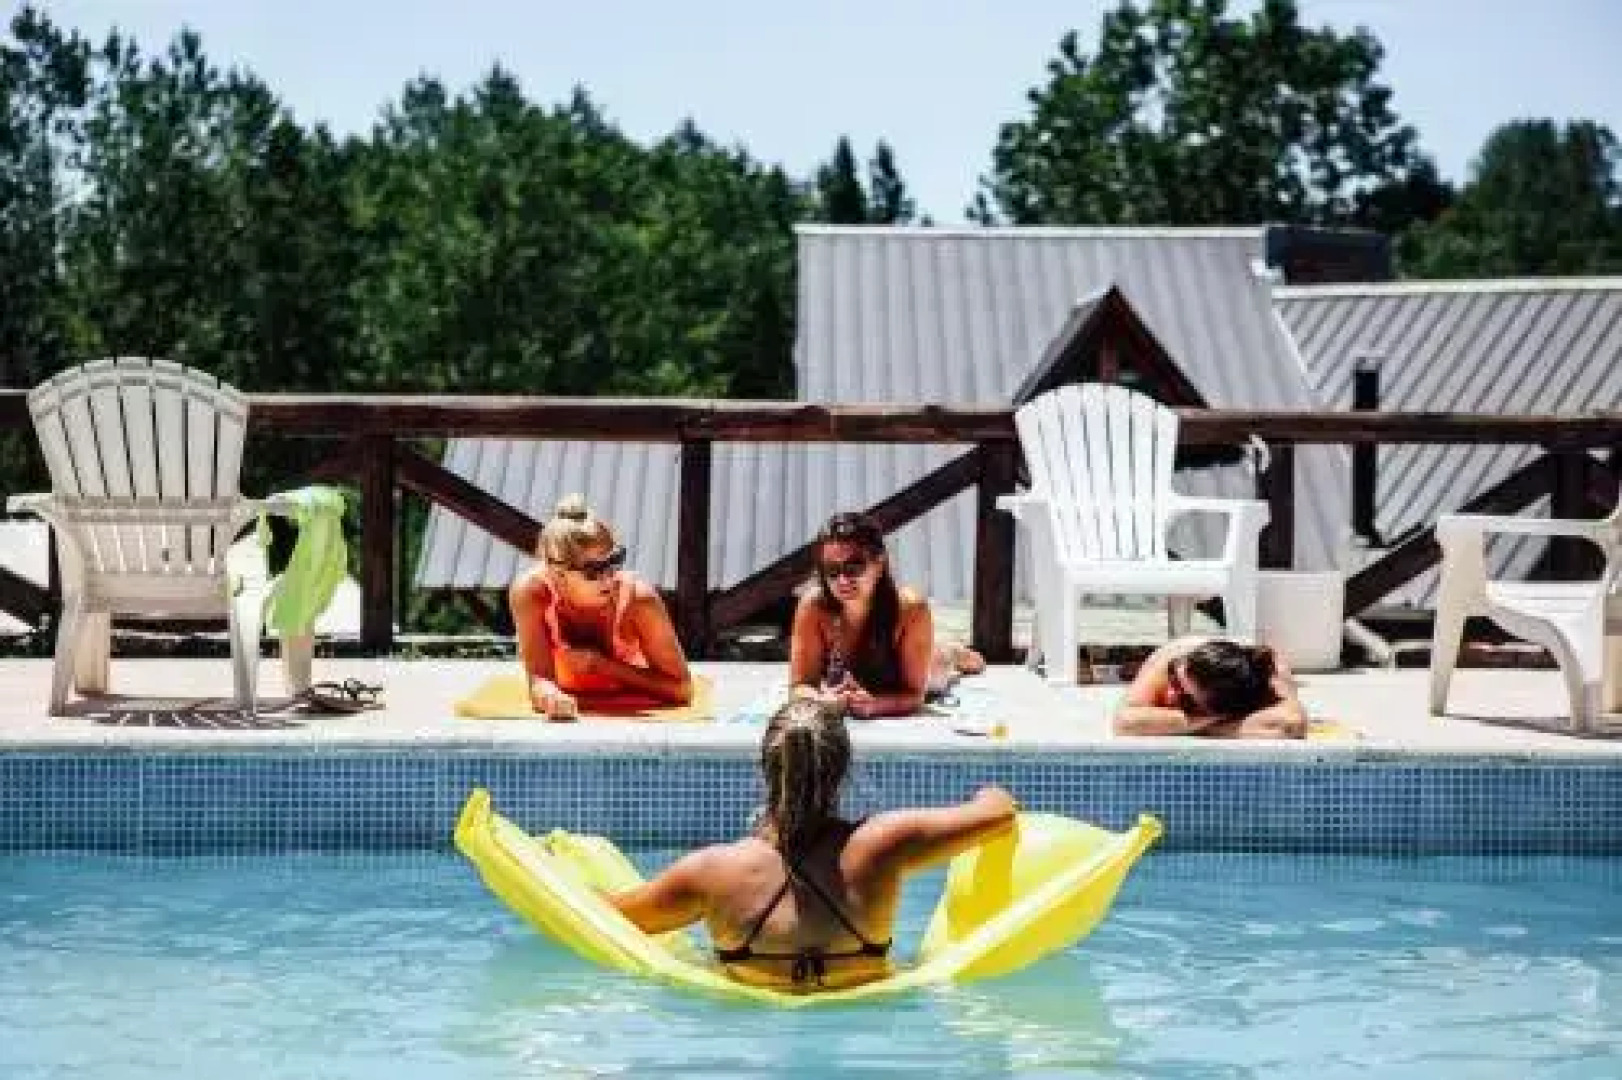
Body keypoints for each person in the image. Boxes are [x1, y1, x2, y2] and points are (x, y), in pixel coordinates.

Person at [605, 698, 1018, 991]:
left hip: (752, 1028)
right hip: (865, 1022)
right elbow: (1000, 814)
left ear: (765, 768)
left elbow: (608, 918)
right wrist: (990, 792)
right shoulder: (884, 845)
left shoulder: (712, 873)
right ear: (842, 769)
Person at [509, 495, 692, 718]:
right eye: (594, 571)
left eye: (613, 562)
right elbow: (540, 681)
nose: (609, 578)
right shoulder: (531, 594)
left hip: (624, 702)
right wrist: (551, 698)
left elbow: (682, 689)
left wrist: (601, 665)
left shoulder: (638, 599)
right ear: (558, 574)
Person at [788, 511, 985, 718]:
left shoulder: (910, 609)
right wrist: (818, 700)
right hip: (856, 677)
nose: (843, 580)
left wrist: (874, 705)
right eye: (831, 570)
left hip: (907, 671)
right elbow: (800, 685)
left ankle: (954, 652)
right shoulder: (813, 605)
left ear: (879, 564)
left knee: (940, 665)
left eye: (854, 567)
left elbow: (914, 696)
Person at [1112, 636, 1308, 739]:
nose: (1171, 693)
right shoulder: (1177, 656)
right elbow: (1125, 722)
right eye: (1175, 679)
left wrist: (1167, 725)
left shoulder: (1272, 680)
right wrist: (1200, 721)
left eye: (1187, 700)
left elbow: (1291, 725)